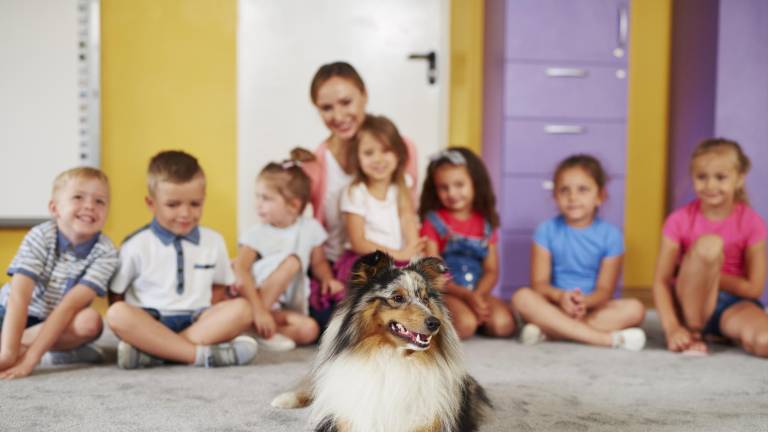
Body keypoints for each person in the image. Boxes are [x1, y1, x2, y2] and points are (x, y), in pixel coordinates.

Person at [106, 150, 258, 369]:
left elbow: (218, 288)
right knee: (117, 314)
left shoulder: (213, 241)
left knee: (243, 309)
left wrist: (211, 317)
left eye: (195, 204)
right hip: (151, 320)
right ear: (151, 203)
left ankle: (154, 353)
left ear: (204, 199)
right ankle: (200, 355)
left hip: (198, 321)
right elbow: (116, 294)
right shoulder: (136, 244)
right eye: (173, 205)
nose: (185, 213)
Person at [512, 154, 646, 351]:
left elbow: (604, 290)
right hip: (555, 306)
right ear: (555, 196)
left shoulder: (611, 236)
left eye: (583, 189)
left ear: (600, 196)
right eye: (564, 190)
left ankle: (551, 331)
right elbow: (539, 284)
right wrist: (561, 298)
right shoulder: (546, 231)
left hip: (592, 309)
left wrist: (584, 303)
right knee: (522, 297)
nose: (573, 197)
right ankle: (606, 339)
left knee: (636, 309)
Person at [652, 138, 768, 357]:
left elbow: (754, 288)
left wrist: (712, 276)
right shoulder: (678, 220)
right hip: (688, 302)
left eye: (721, 177)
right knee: (709, 245)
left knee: (764, 341)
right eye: (702, 177)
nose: (710, 185)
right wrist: (672, 328)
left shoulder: (753, 222)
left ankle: (716, 332)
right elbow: (661, 280)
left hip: (731, 305)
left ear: (739, 178)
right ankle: (694, 330)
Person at [0, 167, 118, 379]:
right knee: (8, 343)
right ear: (55, 208)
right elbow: (19, 297)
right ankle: (51, 352)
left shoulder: (106, 252)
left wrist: (29, 361)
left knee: (91, 321)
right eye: (78, 197)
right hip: (11, 314)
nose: (90, 206)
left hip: (60, 322)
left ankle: (33, 349)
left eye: (100, 201)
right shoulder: (40, 236)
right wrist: (8, 354)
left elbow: (68, 307)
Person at [299, 61, 419, 267]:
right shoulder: (315, 163)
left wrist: (409, 254)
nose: (338, 116)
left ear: (364, 95)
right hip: (339, 267)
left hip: (398, 263)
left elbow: (407, 212)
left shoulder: (400, 148)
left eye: (346, 102)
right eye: (326, 108)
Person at [232, 152, 343, 350]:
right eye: (257, 196)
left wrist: (327, 278)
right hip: (255, 299)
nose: (258, 204)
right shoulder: (256, 233)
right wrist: (259, 309)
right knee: (293, 262)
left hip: (285, 307)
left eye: (266, 198)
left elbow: (318, 262)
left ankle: (251, 330)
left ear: (293, 205)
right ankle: (254, 318)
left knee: (310, 329)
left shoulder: (310, 228)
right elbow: (240, 268)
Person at [418, 147, 515, 339]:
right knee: (465, 325)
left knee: (503, 325)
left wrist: (477, 296)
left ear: (475, 184)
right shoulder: (434, 221)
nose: (452, 193)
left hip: (477, 291)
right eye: (443, 187)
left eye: (459, 185)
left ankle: (479, 313)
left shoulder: (486, 223)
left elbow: (491, 270)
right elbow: (434, 274)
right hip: (448, 292)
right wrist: (465, 296)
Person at [337, 114, 424, 281]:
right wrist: (397, 255)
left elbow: (407, 217)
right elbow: (358, 241)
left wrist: (413, 251)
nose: (378, 159)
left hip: (399, 258)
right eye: (369, 153)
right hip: (369, 259)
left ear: (398, 153)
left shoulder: (401, 183)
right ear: (357, 157)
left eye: (386, 150)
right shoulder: (355, 192)